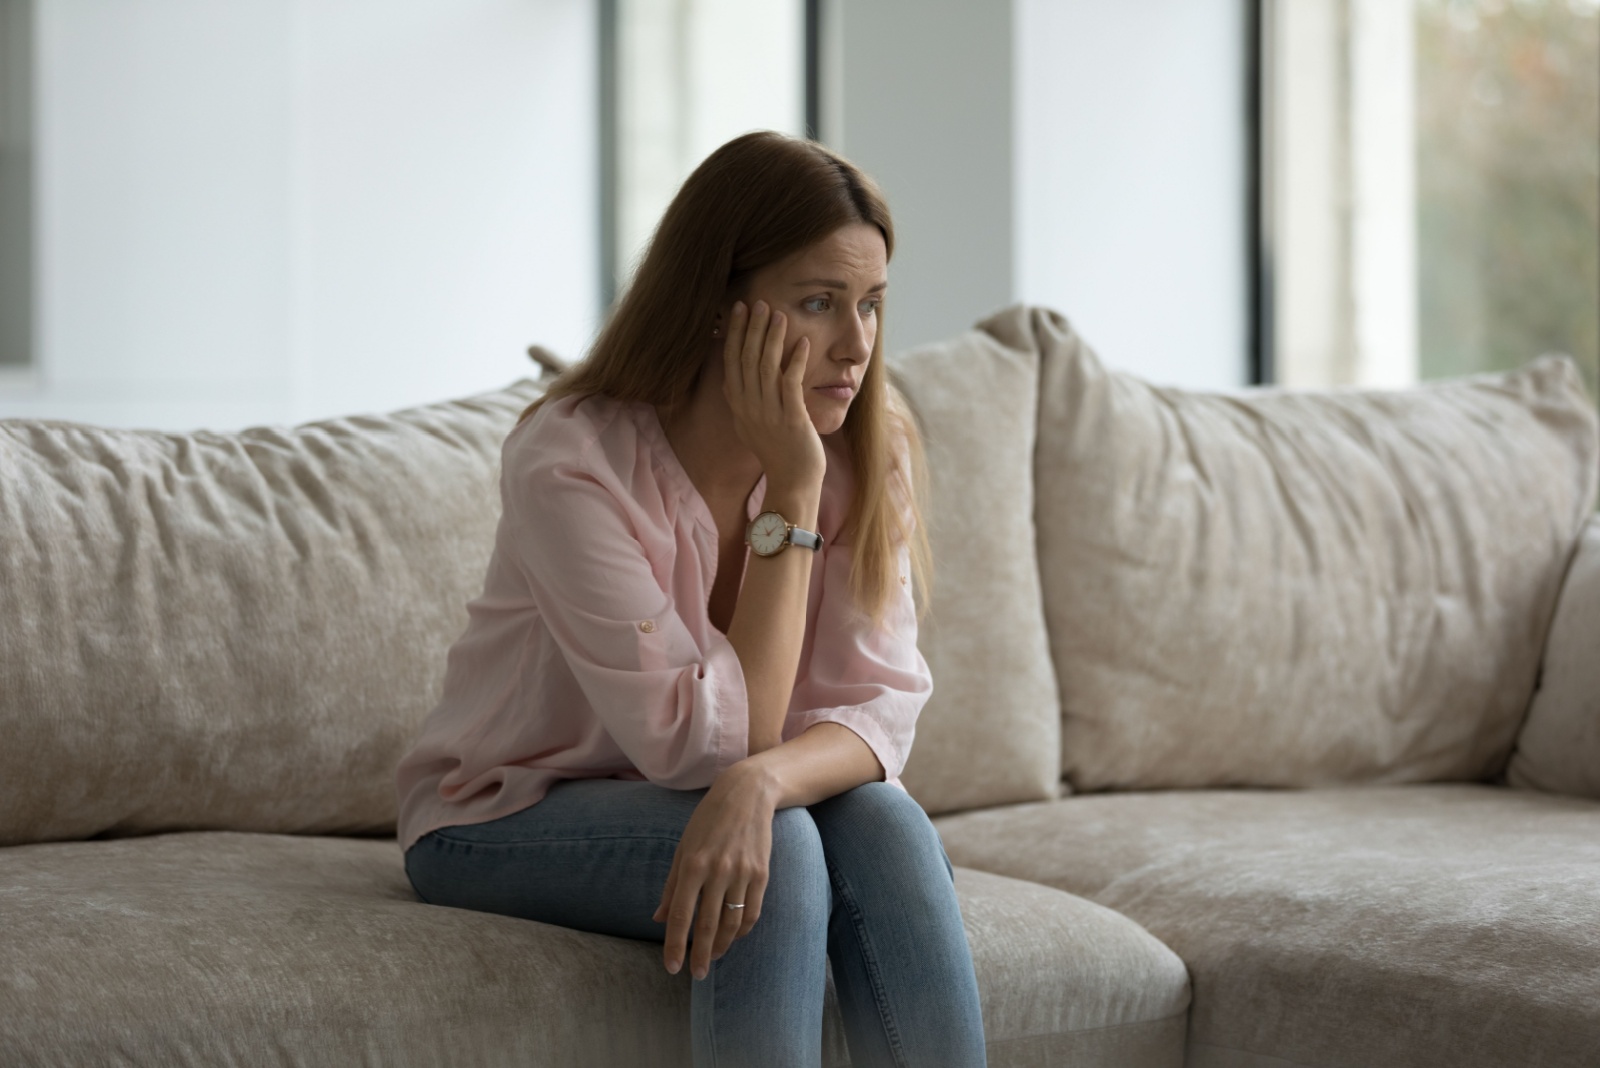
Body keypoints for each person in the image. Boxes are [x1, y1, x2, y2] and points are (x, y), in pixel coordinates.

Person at [394, 130, 987, 1067]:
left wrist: (761, 783)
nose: (856, 346)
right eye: (819, 304)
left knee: (885, 822)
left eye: (871, 305)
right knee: (785, 851)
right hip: (507, 815)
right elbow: (694, 743)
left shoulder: (871, 450)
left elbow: (879, 708)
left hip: (736, 793)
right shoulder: (572, 459)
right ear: (720, 305)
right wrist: (791, 494)